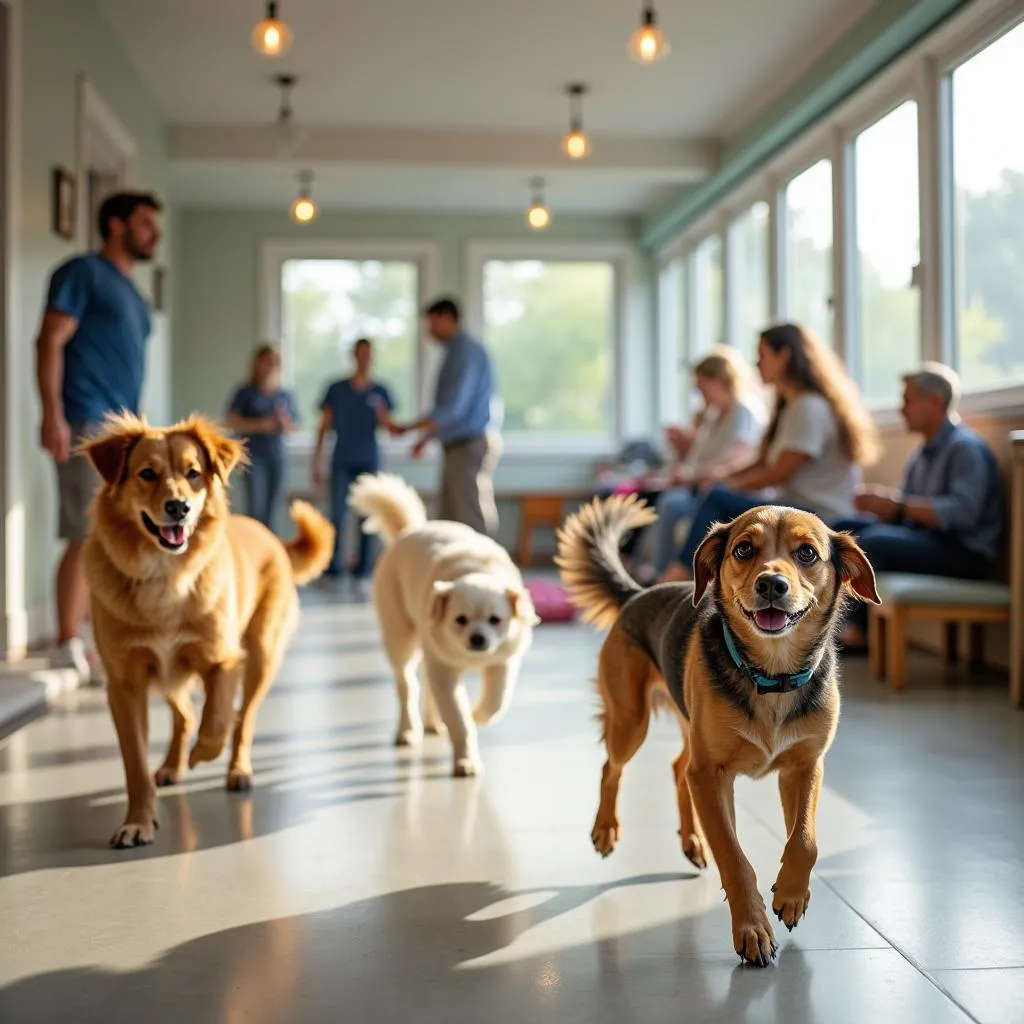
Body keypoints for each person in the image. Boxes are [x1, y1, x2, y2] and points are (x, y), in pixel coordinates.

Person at [35, 190, 162, 683]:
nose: (154, 233)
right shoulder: (82, 273)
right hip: (86, 422)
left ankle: (97, 635)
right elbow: (49, 339)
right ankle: (67, 638)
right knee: (86, 532)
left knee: (118, 537)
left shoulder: (133, 294)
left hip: (126, 431)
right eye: (146, 222)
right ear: (115, 225)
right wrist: (53, 414)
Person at [662, 322, 879, 581]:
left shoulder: (809, 407)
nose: (756, 364)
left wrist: (729, 485)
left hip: (819, 511)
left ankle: (677, 576)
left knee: (716, 499)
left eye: (762, 355)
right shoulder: (792, 407)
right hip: (796, 504)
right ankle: (688, 580)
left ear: (783, 356)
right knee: (715, 495)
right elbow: (762, 462)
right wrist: (722, 477)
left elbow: (780, 472)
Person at [832, 363, 1003, 650]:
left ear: (935, 401)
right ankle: (822, 620)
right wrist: (880, 506)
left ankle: (857, 634)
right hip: (929, 540)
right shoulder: (922, 453)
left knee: (876, 542)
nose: (902, 409)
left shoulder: (966, 448)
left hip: (964, 552)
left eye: (908, 400)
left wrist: (896, 505)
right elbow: (905, 511)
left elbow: (963, 513)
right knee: (841, 530)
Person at [640, 347, 765, 578]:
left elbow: (733, 460)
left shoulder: (743, 412)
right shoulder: (714, 415)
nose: (699, 392)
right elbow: (699, 458)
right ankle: (650, 569)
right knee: (657, 497)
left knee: (672, 504)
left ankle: (663, 576)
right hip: (702, 485)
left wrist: (690, 474)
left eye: (701, 385)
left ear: (718, 380)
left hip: (727, 489)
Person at [394, 297, 501, 535]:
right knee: (451, 516)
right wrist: (424, 438)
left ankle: (483, 568)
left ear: (446, 318)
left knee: (468, 513)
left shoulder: (465, 352)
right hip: (457, 444)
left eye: (432, 322)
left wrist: (409, 428)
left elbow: (453, 407)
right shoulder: (455, 351)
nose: (428, 329)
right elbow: (450, 410)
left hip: (468, 444)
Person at [313, 338, 396, 590]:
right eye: (360, 353)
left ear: (372, 357)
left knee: (368, 519)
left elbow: (390, 427)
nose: (364, 358)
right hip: (341, 460)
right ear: (353, 356)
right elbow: (324, 428)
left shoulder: (380, 391)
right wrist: (316, 461)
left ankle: (363, 571)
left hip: (369, 461)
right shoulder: (336, 389)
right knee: (336, 515)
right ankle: (333, 569)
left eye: (368, 354)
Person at [226, 344, 298, 531]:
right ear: (258, 363)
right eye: (267, 361)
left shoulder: (284, 395)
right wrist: (261, 425)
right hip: (254, 456)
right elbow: (232, 421)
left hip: (277, 456)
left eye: (275, 362)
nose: (271, 366)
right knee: (256, 509)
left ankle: (270, 553)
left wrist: (283, 421)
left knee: (274, 510)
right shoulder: (245, 392)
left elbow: (293, 427)